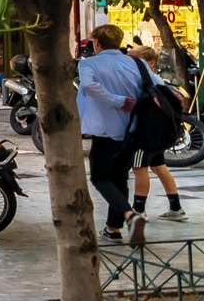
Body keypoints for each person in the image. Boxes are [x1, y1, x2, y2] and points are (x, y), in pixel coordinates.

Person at [80, 25, 148, 244]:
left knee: (100, 177)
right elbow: (158, 86)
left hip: (105, 131)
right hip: (133, 131)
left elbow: (89, 85)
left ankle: (129, 215)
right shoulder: (137, 63)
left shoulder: (88, 63)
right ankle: (113, 228)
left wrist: (117, 101)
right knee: (120, 177)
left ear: (97, 43)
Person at [124, 46, 187, 222]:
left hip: (144, 133)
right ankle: (176, 207)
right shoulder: (158, 79)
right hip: (156, 131)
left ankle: (139, 209)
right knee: (159, 167)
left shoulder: (145, 79)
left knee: (139, 168)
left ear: (150, 62)